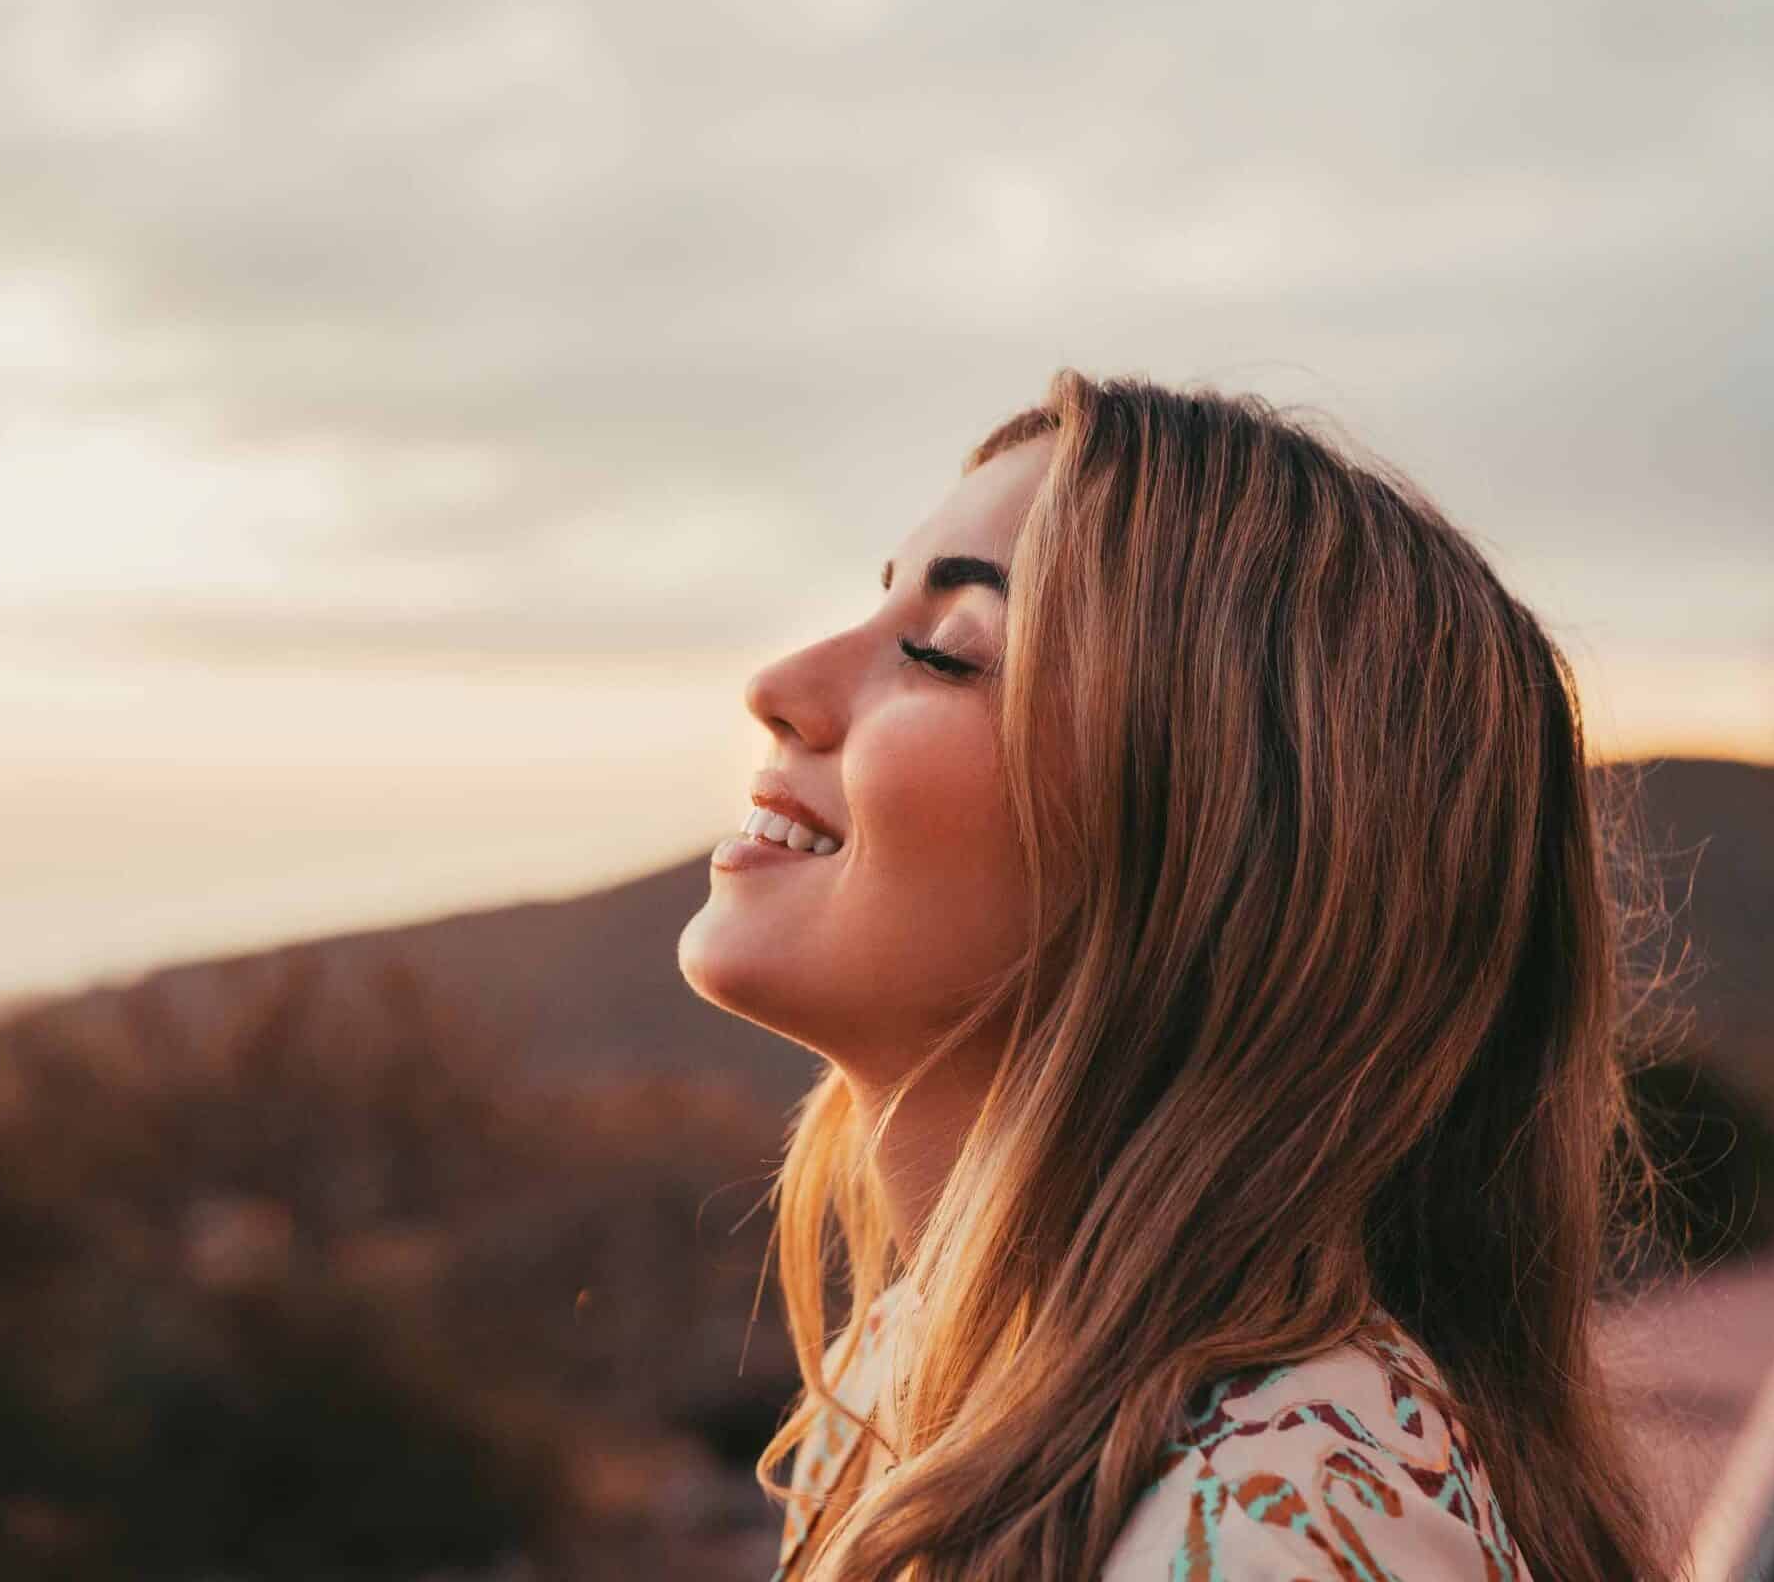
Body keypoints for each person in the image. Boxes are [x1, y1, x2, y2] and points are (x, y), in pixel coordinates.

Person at [676, 369, 1674, 1581]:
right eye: (881, 609)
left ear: (1218, 856)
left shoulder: (1264, 1528)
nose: (776, 687)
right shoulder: (917, 1383)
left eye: (944, 653)